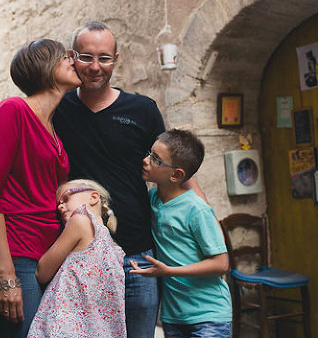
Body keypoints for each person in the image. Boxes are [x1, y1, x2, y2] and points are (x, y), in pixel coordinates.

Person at [53, 21, 205, 338]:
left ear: (116, 59)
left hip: (138, 256)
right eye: (86, 57)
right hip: (80, 255)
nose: (96, 67)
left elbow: (176, 170)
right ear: (72, 57)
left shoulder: (142, 110)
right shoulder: (58, 109)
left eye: (104, 58)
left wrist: (203, 217)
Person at [0, 39, 80, 338]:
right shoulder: (13, 110)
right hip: (13, 254)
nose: (73, 61)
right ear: (45, 67)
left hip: (45, 254)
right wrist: (5, 276)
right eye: (64, 57)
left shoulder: (53, 126)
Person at [131, 129, 232, 338]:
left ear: (176, 175)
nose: (146, 160)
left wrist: (169, 271)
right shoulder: (151, 200)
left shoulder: (196, 209)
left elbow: (221, 264)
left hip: (209, 316)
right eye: (150, 153)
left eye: (156, 160)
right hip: (174, 317)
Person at [28, 179, 126, 338]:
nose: (60, 206)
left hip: (66, 326)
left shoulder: (80, 220)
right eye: (58, 204)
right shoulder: (113, 246)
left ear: (93, 197)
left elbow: (42, 272)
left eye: (66, 198)